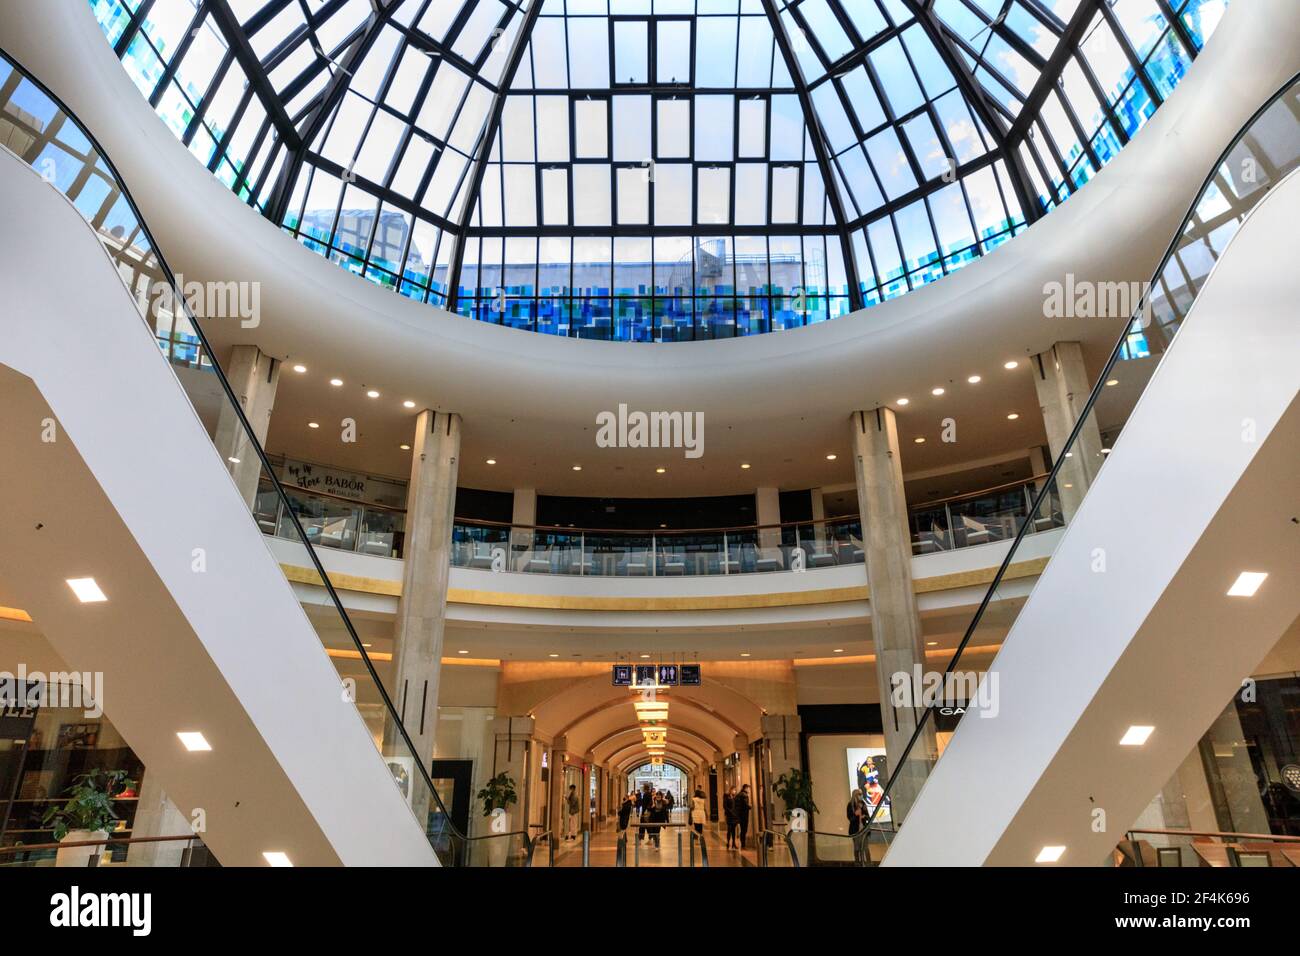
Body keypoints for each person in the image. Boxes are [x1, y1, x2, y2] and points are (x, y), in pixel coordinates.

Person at [847, 788, 868, 865]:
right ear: (855, 795)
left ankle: (868, 864)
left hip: (864, 830)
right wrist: (855, 814)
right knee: (857, 849)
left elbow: (868, 816)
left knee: (866, 848)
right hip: (855, 831)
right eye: (859, 794)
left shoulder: (863, 803)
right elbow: (850, 818)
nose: (861, 796)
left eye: (861, 794)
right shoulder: (850, 805)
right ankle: (857, 863)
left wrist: (864, 816)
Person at [733, 784, 751, 849]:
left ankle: (742, 843)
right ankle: (743, 844)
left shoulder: (738, 795)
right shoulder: (745, 795)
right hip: (744, 815)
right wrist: (750, 807)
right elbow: (746, 805)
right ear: (745, 788)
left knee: (742, 829)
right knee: (744, 830)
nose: (749, 790)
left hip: (739, 815)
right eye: (748, 788)